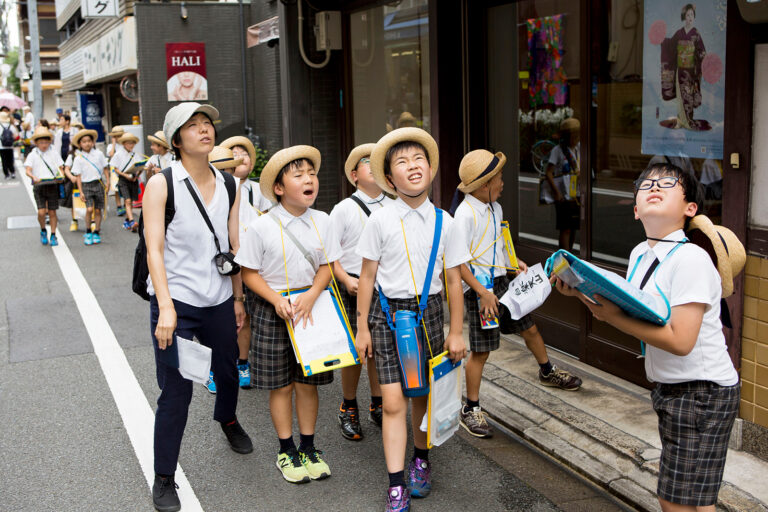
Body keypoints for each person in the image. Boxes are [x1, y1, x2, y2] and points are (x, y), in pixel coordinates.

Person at [552, 162, 743, 512]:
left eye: (668, 182)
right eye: (646, 184)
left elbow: (680, 340)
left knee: (675, 502)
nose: (655, 185)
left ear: (690, 209)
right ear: (637, 210)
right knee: (694, 501)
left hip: (702, 392)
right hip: (675, 389)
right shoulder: (642, 253)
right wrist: (577, 292)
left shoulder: (691, 260)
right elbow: (631, 309)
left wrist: (613, 319)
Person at [143, 102, 252, 512]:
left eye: (208, 123)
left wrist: (238, 298)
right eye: (194, 125)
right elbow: (154, 249)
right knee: (177, 392)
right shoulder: (162, 184)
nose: (205, 130)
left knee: (228, 372)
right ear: (177, 140)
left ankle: (227, 418)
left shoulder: (229, 185)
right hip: (177, 304)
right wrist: (167, 308)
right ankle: (165, 476)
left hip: (220, 298)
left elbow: (232, 246)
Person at [355, 127, 467, 511]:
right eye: (402, 162)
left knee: (424, 395)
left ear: (431, 169)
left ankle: (422, 459)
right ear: (389, 179)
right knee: (392, 403)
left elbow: (453, 279)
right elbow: (367, 278)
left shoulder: (446, 221)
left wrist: (456, 330)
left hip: (431, 313)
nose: (412, 166)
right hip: (387, 315)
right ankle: (396, 483)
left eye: (418, 159)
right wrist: (361, 329)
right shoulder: (379, 220)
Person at [451, 150, 582, 439]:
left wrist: (515, 264)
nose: (502, 183)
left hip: (502, 283)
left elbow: (498, 244)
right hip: (480, 289)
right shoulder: (464, 215)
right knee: (482, 350)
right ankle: (470, 407)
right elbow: (458, 265)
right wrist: (483, 293)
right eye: (498, 179)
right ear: (484, 185)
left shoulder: (494, 208)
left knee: (530, 328)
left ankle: (546, 371)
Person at [236, 145, 341, 485]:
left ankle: (309, 446)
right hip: (272, 312)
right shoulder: (262, 226)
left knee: (307, 383)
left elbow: (326, 265)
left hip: (312, 310)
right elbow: (249, 273)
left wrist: (312, 294)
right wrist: (275, 299)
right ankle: (286, 449)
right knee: (280, 386)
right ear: (279, 188)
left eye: (312, 174)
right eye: (298, 175)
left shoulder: (323, 221)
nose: (309, 180)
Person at [329, 143, 393, 441]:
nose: (375, 166)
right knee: (355, 352)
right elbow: (328, 255)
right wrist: (343, 278)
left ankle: (378, 403)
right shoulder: (343, 210)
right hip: (352, 286)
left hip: (384, 287)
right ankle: (348, 404)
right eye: (368, 162)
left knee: (379, 350)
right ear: (354, 175)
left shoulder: (393, 205)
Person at [220, 135, 273, 390]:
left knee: (248, 315)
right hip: (226, 260)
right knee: (225, 315)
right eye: (235, 152)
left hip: (253, 261)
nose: (241, 157)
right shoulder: (218, 186)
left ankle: (243, 363)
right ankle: (218, 365)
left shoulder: (258, 190)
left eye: (246, 153)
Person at [659, 4, 711, 131]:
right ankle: (681, 120)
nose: (690, 17)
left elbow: (702, 51)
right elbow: (670, 46)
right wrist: (663, 41)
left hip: (691, 71)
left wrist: (699, 57)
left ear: (694, 17)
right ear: (684, 17)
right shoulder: (679, 33)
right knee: (680, 95)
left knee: (688, 95)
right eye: (687, 15)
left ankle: (687, 120)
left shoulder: (696, 33)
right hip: (680, 71)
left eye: (692, 15)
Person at [545, 118, 581, 251]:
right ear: (565, 136)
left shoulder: (579, 148)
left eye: (577, 135)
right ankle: (563, 258)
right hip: (563, 195)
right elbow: (548, 172)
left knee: (573, 227)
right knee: (565, 228)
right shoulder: (558, 150)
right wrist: (556, 192)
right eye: (573, 135)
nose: (576, 138)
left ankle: (569, 253)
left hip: (576, 193)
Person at [25, 126, 64, 246]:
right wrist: (33, 177)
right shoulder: (33, 154)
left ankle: (53, 234)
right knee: (41, 212)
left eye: (46, 142)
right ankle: (43, 230)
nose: (44, 145)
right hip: (39, 185)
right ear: (36, 143)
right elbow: (28, 170)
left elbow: (60, 167)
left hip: (52, 184)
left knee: (52, 212)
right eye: (41, 142)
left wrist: (60, 175)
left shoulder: (54, 153)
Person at [68, 129, 108, 245]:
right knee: (89, 209)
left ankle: (97, 231)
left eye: (89, 141)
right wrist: (80, 191)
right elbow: (78, 176)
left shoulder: (99, 154)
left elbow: (105, 168)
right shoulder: (78, 158)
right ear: (80, 144)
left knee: (98, 210)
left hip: (98, 183)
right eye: (84, 142)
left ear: (93, 142)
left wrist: (108, 181)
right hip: (86, 185)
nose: (87, 143)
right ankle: (88, 230)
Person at [111, 132, 141, 231]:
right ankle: (132, 221)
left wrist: (137, 175)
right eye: (128, 143)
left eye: (132, 143)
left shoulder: (136, 154)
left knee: (131, 201)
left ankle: (127, 220)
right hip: (123, 179)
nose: (131, 145)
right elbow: (115, 169)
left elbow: (140, 166)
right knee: (127, 200)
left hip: (133, 179)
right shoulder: (118, 154)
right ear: (123, 143)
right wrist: (125, 176)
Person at [107, 126, 126, 216]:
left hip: (124, 167)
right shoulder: (111, 146)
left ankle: (126, 204)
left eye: (120, 136)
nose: (118, 138)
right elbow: (111, 155)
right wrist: (114, 144)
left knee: (126, 186)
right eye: (116, 136)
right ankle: (119, 206)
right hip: (114, 168)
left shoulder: (125, 144)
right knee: (116, 188)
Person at [0, 110, 19, 179]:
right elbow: (16, 135)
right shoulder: (10, 126)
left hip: (1, 146)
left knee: (4, 160)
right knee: (10, 160)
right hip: (10, 146)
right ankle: (12, 172)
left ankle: (6, 174)